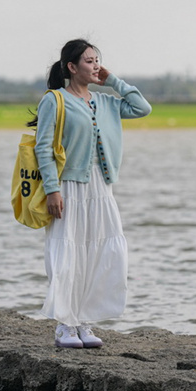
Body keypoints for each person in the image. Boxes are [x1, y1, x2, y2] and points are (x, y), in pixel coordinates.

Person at [30, 39, 152, 348]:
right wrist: (53, 190)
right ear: (71, 67)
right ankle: (64, 326)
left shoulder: (106, 102)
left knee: (98, 252)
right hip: (68, 186)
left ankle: (84, 322)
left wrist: (112, 81)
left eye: (97, 60)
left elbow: (142, 107)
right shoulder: (54, 100)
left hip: (102, 186)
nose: (95, 65)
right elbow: (42, 147)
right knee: (69, 252)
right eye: (88, 61)